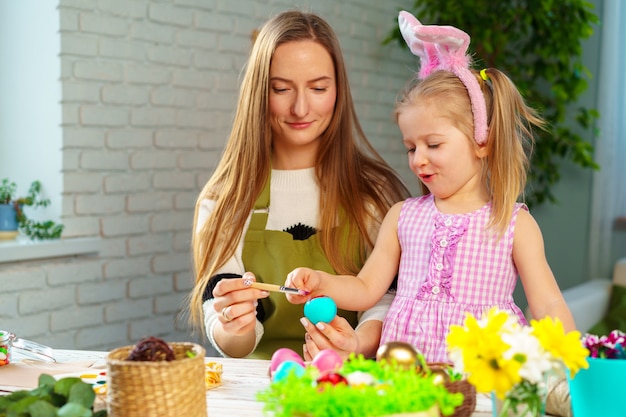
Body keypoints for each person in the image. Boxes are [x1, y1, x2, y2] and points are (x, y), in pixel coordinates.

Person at [284, 11, 576, 364]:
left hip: (482, 374)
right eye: (411, 147)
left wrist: (572, 366)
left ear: (481, 141)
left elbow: (546, 305)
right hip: (405, 374)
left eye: (433, 145)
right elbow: (364, 289)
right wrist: (321, 282)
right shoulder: (402, 216)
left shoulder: (513, 223)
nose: (418, 159)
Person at [189, 10, 410, 360]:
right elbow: (224, 324)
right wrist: (234, 322)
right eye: (281, 89)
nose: (301, 107)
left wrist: (354, 343)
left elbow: (389, 299)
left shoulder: (375, 194)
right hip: (259, 391)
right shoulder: (224, 200)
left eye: (318, 87)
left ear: (338, 90)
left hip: (352, 381)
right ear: (260, 92)